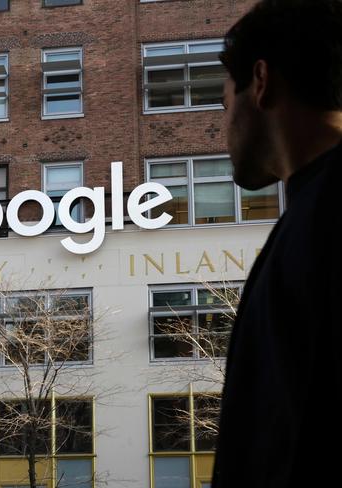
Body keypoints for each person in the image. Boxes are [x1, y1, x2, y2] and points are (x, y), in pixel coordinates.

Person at [213, 0, 342, 486]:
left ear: (261, 83)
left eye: (225, 105)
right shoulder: (310, 212)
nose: (223, 129)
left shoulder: (321, 218)